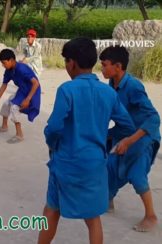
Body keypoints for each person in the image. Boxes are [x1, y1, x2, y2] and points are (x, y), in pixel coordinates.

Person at [37, 38, 135, 244]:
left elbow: (54, 128)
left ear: (72, 62)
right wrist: (104, 136)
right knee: (92, 218)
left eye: (66, 62)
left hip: (66, 162)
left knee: (51, 210)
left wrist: (52, 142)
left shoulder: (67, 90)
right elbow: (127, 126)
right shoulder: (108, 92)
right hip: (95, 164)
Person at [100, 45, 160, 232]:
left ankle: (151, 216)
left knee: (136, 174)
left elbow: (154, 118)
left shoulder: (133, 86)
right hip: (125, 133)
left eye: (104, 65)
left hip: (144, 135)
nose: (101, 69)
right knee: (110, 165)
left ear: (118, 66)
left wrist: (128, 141)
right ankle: (107, 201)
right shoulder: (112, 86)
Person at [0, 49, 41, 143]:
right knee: (6, 103)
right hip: (22, 91)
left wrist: (28, 99)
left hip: (32, 92)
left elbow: (36, 83)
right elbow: (4, 85)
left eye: (4, 63)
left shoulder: (22, 69)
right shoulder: (8, 71)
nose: (3, 65)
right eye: (2, 63)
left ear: (12, 60)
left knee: (14, 107)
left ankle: (19, 135)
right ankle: (4, 126)